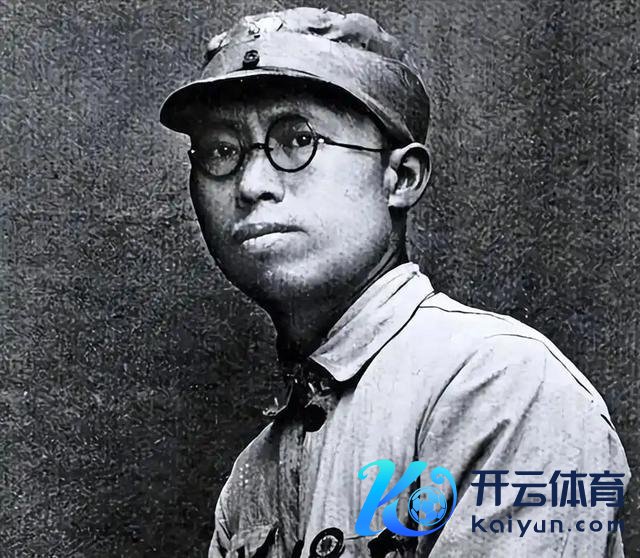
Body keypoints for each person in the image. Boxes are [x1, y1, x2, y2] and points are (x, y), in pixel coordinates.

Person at [159, 7, 630, 558]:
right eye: (220, 150)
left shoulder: (503, 388)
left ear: (400, 177)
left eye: (298, 140)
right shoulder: (250, 483)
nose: (251, 184)